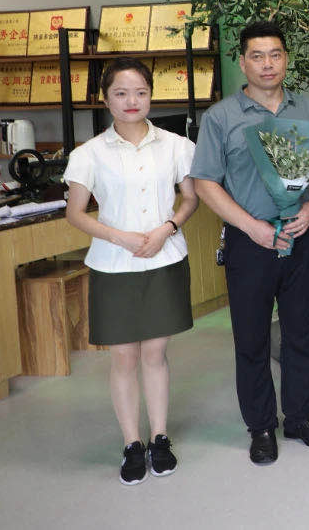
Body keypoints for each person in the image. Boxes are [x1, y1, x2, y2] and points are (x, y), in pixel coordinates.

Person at [191, 21, 309, 465]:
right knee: (251, 338)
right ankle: (260, 427)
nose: (267, 64)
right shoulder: (221, 118)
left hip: (302, 236)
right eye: (257, 56)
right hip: (250, 242)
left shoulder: (308, 109)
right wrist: (251, 227)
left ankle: (299, 418)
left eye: (275, 54)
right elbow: (205, 183)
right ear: (243, 62)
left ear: (286, 58)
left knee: (302, 331)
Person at [63, 57, 198, 485]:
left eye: (140, 92)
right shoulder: (88, 154)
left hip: (164, 258)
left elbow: (190, 199)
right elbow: (75, 213)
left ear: (151, 95)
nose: (131, 101)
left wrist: (166, 228)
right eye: (120, 93)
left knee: (155, 354)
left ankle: (160, 438)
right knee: (124, 357)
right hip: (113, 264)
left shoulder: (177, 146)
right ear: (104, 99)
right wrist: (118, 236)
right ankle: (131, 444)